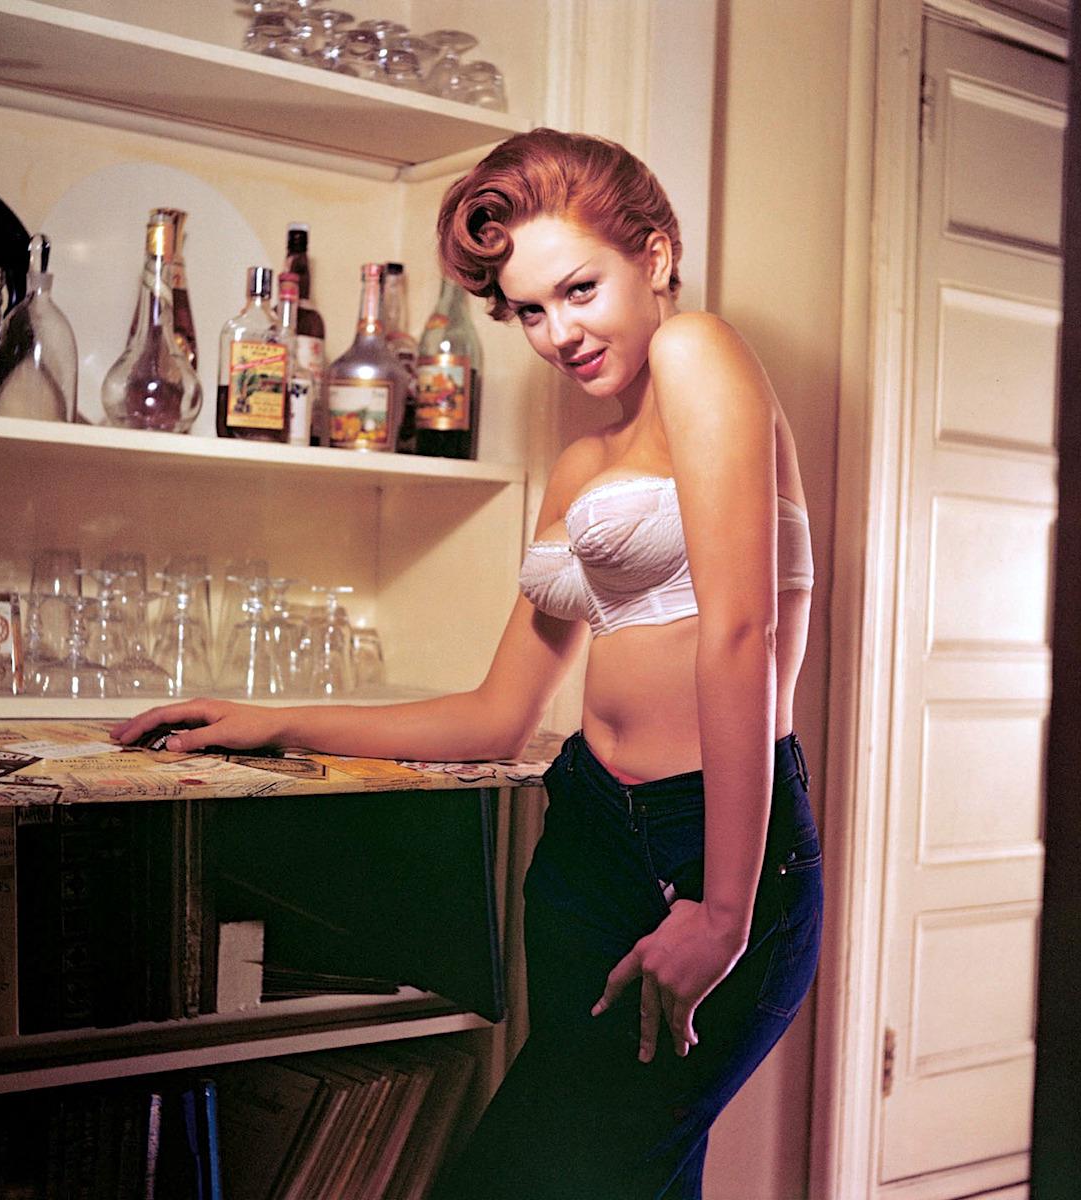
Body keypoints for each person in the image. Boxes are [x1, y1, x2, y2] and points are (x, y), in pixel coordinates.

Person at [112, 127, 822, 1199]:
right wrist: (274, 721)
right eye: (529, 310)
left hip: (710, 841)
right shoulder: (581, 464)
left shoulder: (699, 350)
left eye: (580, 289)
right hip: (586, 843)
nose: (558, 333)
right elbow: (496, 715)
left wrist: (725, 913)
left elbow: (741, 632)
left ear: (657, 256)